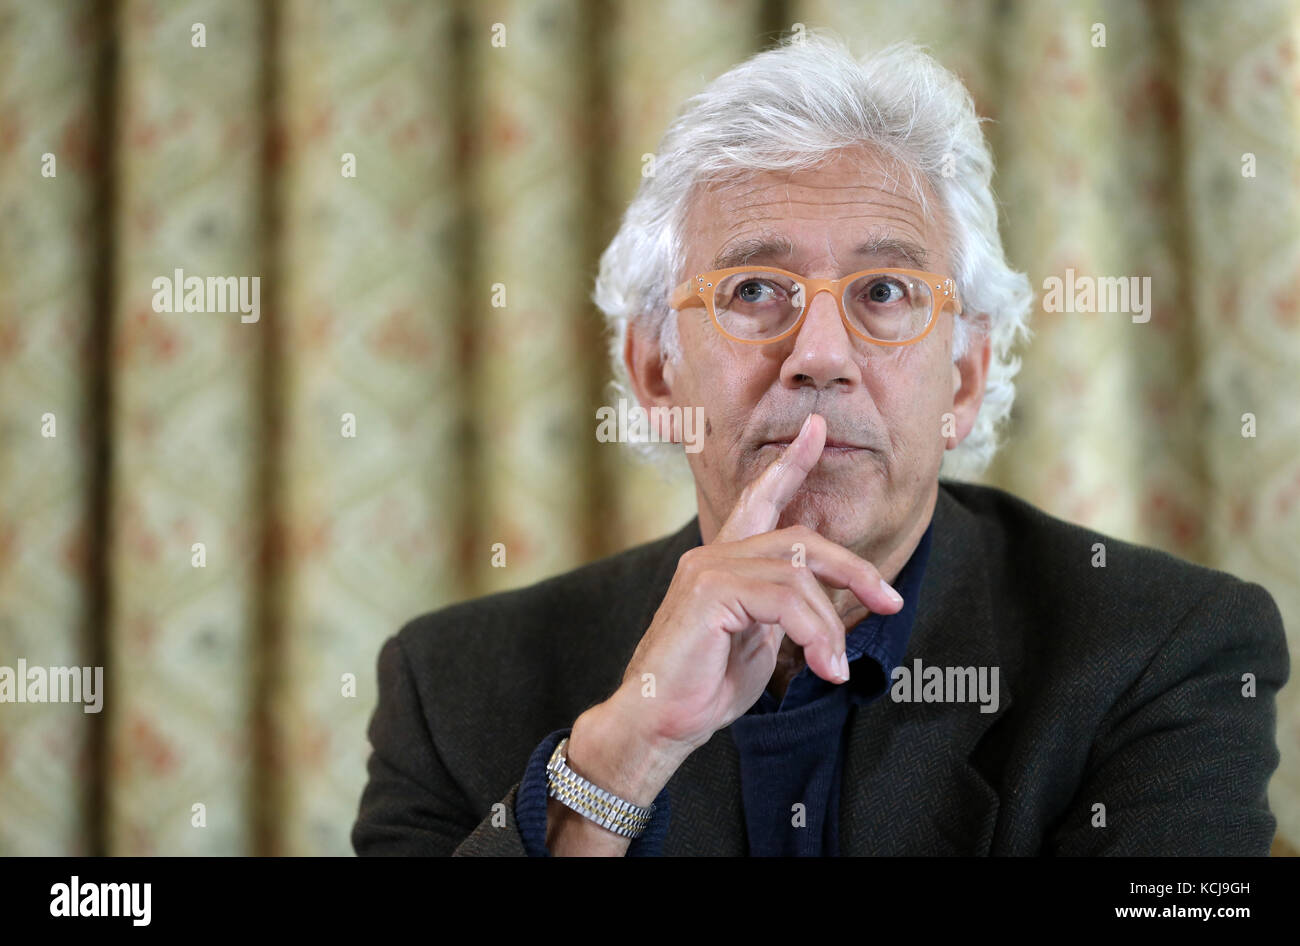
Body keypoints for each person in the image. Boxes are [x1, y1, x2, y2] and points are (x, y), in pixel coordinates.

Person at [351, 33, 1289, 856]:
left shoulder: (1162, 650)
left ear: (961, 379)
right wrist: (620, 762)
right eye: (754, 290)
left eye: (885, 292)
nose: (821, 356)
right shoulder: (451, 688)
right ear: (655, 373)